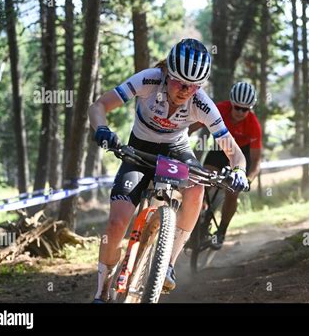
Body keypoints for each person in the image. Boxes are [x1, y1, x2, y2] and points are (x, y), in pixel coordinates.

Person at [88, 39, 249, 303]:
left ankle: (168, 264)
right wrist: (102, 129)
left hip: (176, 150)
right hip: (139, 149)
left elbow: (235, 153)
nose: (186, 90)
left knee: (197, 187)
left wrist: (240, 171)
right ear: (167, 74)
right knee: (117, 223)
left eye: (193, 85)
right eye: (180, 83)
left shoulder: (202, 103)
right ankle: (101, 291)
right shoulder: (149, 80)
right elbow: (98, 106)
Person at [189, 82, 262, 250]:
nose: (240, 112)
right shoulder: (220, 109)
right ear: (231, 103)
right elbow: (193, 126)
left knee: (233, 191)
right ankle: (199, 219)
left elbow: (256, 160)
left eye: (245, 109)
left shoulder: (253, 125)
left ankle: (221, 232)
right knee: (202, 181)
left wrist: (249, 179)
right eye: (237, 107)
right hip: (220, 149)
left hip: (241, 153)